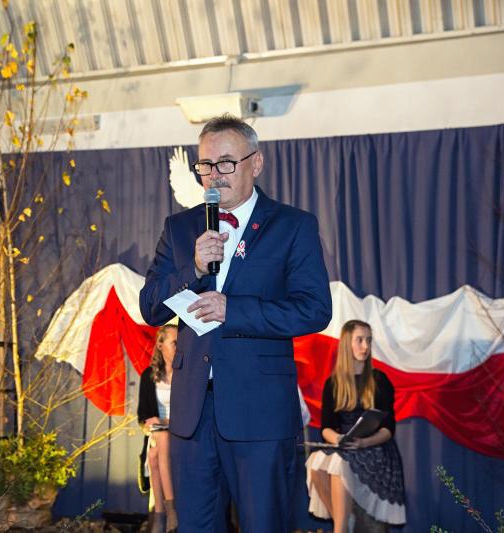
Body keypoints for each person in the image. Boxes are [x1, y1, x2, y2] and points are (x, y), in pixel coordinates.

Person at [139, 114, 332, 533]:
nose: (214, 175)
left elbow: (315, 309)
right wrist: (192, 268)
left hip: (259, 412)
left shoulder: (292, 226)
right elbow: (150, 307)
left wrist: (235, 310)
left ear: (256, 163)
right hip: (192, 414)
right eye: (205, 165)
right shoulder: (180, 227)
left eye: (226, 163)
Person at [305, 319, 406, 532]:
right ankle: (344, 522)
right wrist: (339, 439)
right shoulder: (333, 383)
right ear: (346, 344)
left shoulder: (379, 380)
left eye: (369, 340)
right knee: (315, 463)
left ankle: (340, 529)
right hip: (346, 446)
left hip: (375, 449)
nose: (365, 346)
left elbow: (388, 429)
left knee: (339, 462)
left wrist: (364, 442)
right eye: (359, 340)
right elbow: (326, 428)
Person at [138, 324, 178, 533]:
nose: (179, 348)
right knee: (157, 447)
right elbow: (142, 416)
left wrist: (165, 422)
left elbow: (190, 414)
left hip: (180, 434)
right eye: (174, 343)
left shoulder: (185, 376)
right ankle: (167, 513)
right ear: (160, 345)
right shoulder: (148, 376)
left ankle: (164, 513)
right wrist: (151, 423)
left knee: (156, 452)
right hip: (157, 435)